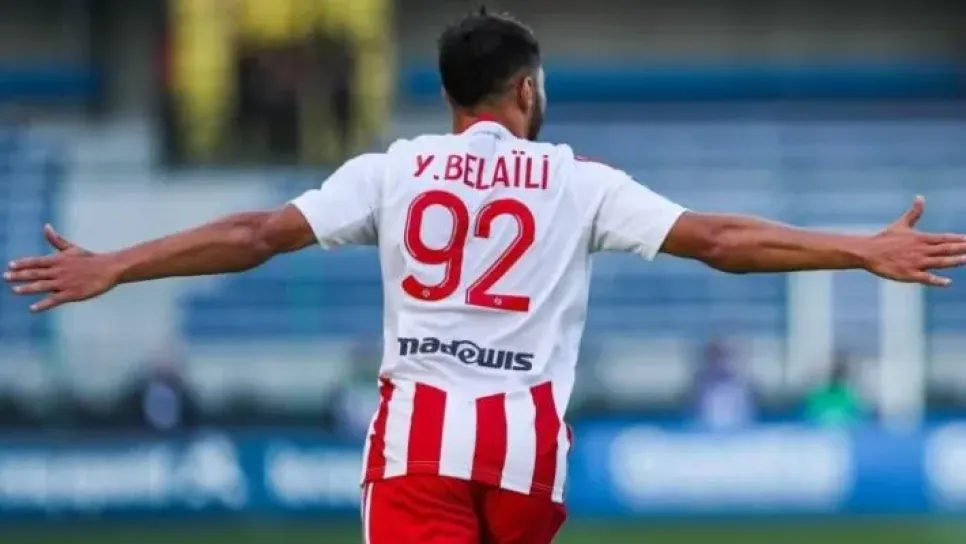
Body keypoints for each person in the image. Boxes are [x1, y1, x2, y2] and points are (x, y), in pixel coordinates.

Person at [5, 8, 966, 544]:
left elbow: (256, 232)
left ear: (449, 94)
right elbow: (720, 240)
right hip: (526, 456)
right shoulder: (577, 180)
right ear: (527, 88)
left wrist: (116, 263)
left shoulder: (393, 169)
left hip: (417, 450)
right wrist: (860, 248)